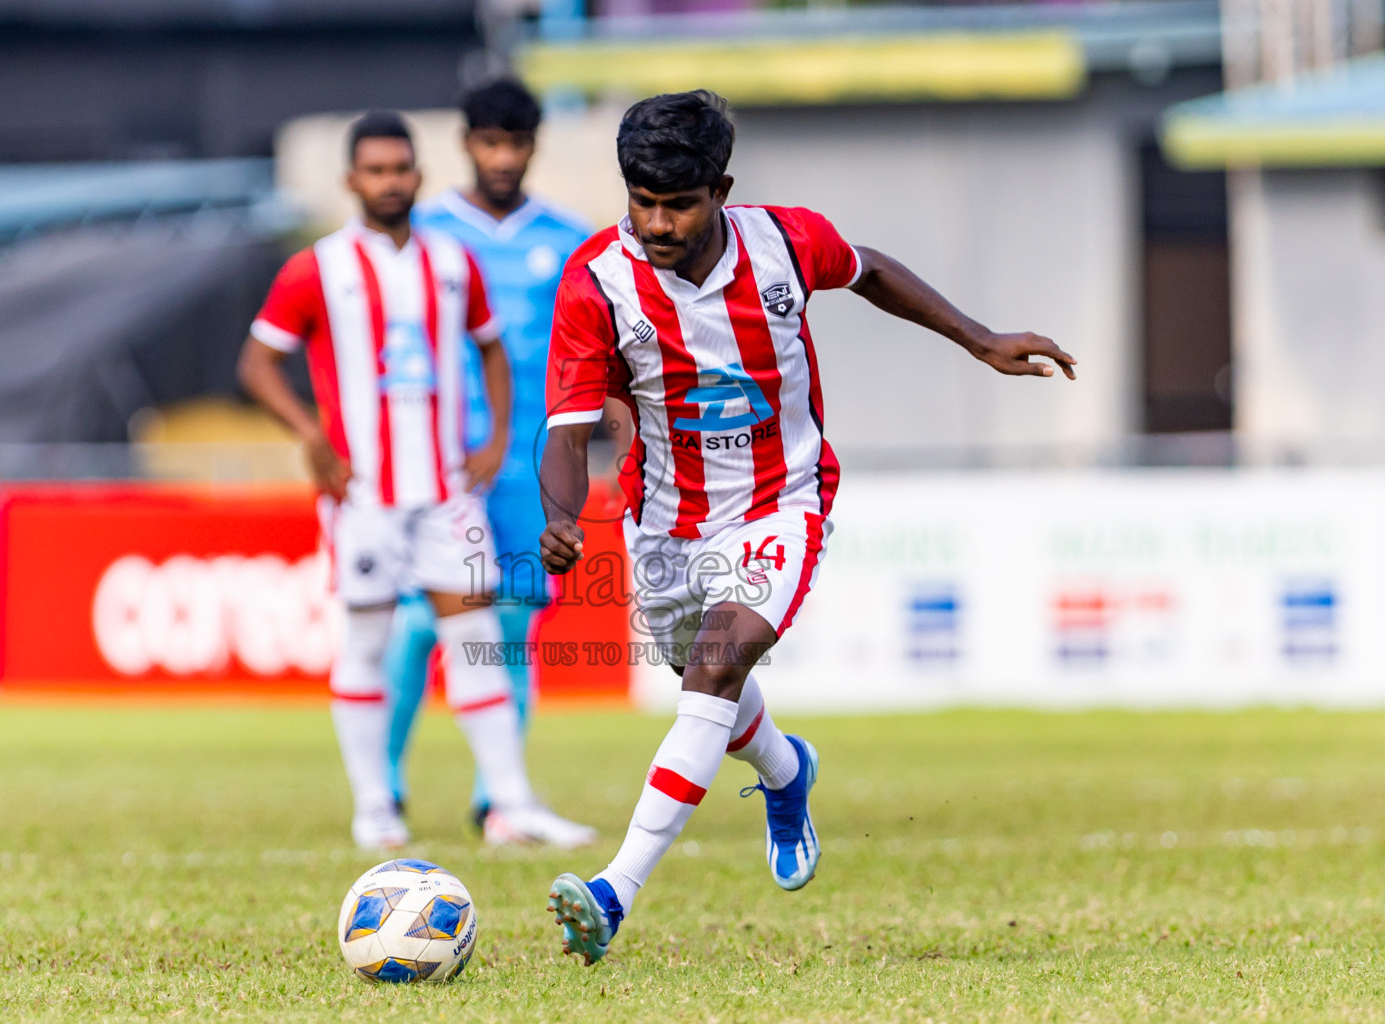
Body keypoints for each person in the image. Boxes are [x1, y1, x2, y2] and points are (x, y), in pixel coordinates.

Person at [536, 90, 1076, 963]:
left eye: (678, 204)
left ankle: (614, 891)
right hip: (665, 517)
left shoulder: (787, 241)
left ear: (723, 189)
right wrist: (562, 515)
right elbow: (565, 427)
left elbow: (871, 271)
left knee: (715, 662)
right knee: (704, 678)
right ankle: (788, 775)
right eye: (643, 203)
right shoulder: (596, 281)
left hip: (782, 497)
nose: (659, 224)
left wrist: (979, 340)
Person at [236, 110, 595, 851]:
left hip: (444, 491)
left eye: (401, 169)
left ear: (419, 175)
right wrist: (312, 436)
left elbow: (492, 349)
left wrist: (496, 437)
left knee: (476, 640)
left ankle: (511, 803)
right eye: (375, 171)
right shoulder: (319, 267)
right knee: (369, 640)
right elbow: (256, 363)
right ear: (350, 181)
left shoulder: (451, 262)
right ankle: (375, 808)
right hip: (363, 493)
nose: (390, 182)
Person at [386, 79, 592, 832]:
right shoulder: (429, 234)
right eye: (489, 143)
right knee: (416, 624)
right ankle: (384, 787)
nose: (503, 157)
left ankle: (497, 800)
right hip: (436, 464)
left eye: (516, 143)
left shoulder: (569, 241)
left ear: (534, 146)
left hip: (527, 467)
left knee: (511, 626)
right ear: (466, 144)